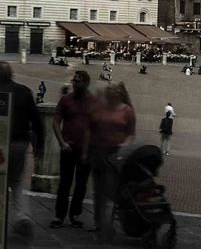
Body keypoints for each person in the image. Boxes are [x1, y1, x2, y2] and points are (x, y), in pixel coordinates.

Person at [0, 64, 42, 239]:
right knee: (17, 182)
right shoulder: (24, 91)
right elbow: (37, 120)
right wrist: (40, 145)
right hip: (20, 144)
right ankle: (22, 216)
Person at [52, 70, 98, 230]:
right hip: (68, 148)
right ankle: (59, 215)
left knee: (81, 184)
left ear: (85, 83)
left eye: (77, 81)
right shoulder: (65, 100)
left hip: (86, 149)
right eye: (73, 80)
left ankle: (75, 215)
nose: (74, 83)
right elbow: (56, 122)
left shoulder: (94, 101)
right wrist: (61, 142)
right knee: (64, 182)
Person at [90, 82, 137, 238]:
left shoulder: (128, 110)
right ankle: (98, 221)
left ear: (121, 92)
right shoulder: (100, 107)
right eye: (109, 89)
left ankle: (107, 223)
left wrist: (126, 144)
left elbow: (131, 133)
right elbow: (91, 126)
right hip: (98, 152)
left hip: (116, 155)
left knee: (111, 190)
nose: (112, 92)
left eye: (115, 90)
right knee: (98, 190)